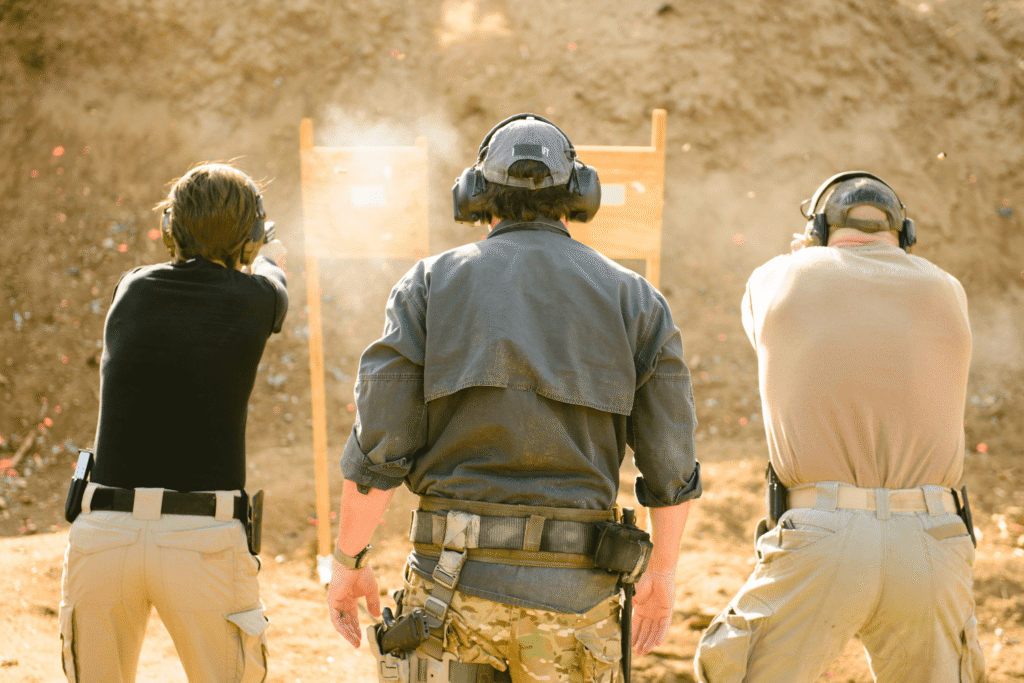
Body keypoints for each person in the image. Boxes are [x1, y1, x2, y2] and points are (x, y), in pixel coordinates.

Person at [326, 114, 702, 683]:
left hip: (448, 597)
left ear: (476, 195)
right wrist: (663, 575)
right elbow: (671, 463)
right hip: (575, 605)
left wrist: (349, 561)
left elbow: (379, 445)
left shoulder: (427, 284)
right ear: (578, 194)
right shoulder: (636, 300)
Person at [693, 172, 986, 683]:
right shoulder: (947, 289)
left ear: (819, 230)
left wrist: (801, 255)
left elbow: (763, 325)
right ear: (904, 232)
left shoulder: (779, 277)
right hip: (932, 536)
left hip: (821, 533)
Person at [58, 163, 288, 683]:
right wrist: (264, 252)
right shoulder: (258, 298)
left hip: (103, 532)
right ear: (249, 241)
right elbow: (274, 279)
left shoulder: (131, 289)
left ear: (169, 229)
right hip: (201, 536)